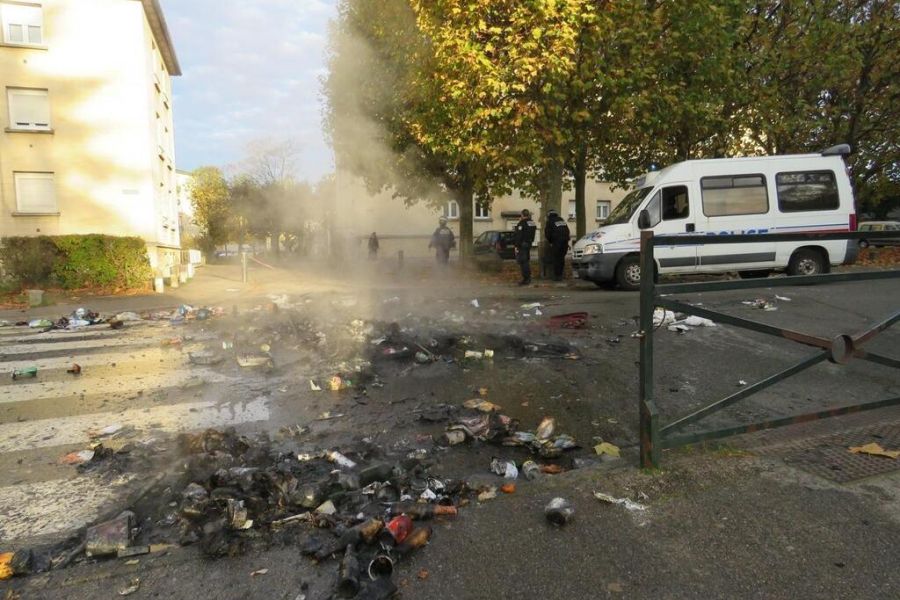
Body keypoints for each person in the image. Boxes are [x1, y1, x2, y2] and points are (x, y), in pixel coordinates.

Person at [512, 209, 537, 285]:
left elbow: (519, 235)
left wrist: (516, 245)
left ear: (522, 215)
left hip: (522, 244)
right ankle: (527, 277)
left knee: (523, 262)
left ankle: (526, 278)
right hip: (529, 243)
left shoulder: (522, 223)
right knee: (526, 261)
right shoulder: (532, 223)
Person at [544, 209, 571, 281]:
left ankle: (557, 276)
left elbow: (547, 233)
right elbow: (567, 231)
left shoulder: (550, 221)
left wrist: (550, 241)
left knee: (556, 258)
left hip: (557, 242)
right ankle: (560, 274)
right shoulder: (562, 220)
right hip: (565, 242)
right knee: (561, 258)